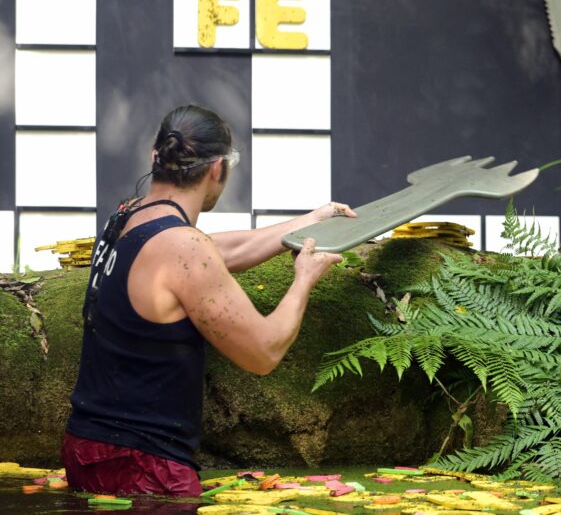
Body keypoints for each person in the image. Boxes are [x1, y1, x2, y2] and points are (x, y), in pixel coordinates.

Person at [62, 105, 355, 497]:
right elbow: (262, 352)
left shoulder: (127, 216)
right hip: (144, 466)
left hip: (87, 449)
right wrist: (304, 278)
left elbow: (213, 253)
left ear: (156, 154)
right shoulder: (183, 246)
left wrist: (308, 221)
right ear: (217, 169)